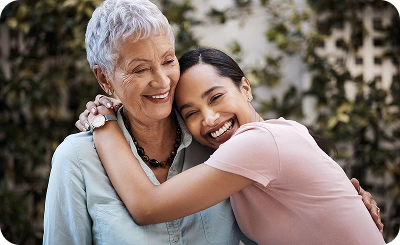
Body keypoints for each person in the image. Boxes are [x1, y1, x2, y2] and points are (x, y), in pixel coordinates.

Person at [82, 47, 386, 245]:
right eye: (191, 113)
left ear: (245, 88)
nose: (210, 118)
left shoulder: (258, 143)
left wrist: (104, 122)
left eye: (216, 98)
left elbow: (147, 207)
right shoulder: (241, 159)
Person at [43, 1, 243, 244]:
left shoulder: (214, 138)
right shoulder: (77, 160)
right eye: (140, 70)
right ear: (104, 78)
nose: (162, 82)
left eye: (168, 61)